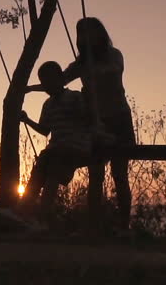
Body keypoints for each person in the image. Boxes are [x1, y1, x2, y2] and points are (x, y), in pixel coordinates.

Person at [26, 17, 135, 230]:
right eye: (81, 34)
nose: (84, 37)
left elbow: (113, 70)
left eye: (89, 32)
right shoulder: (80, 64)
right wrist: (31, 88)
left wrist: (89, 69)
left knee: (120, 174)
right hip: (95, 121)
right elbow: (59, 81)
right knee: (96, 174)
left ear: (99, 33)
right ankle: (93, 228)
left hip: (120, 118)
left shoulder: (114, 55)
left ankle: (124, 226)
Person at [15, 61, 98, 226]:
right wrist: (26, 120)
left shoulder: (75, 97)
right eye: (44, 83)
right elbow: (45, 130)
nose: (47, 87)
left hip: (76, 147)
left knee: (52, 163)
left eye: (49, 82)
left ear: (61, 78)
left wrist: (87, 100)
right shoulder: (48, 104)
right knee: (41, 164)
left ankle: (41, 217)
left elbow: (89, 119)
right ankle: (24, 210)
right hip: (57, 150)